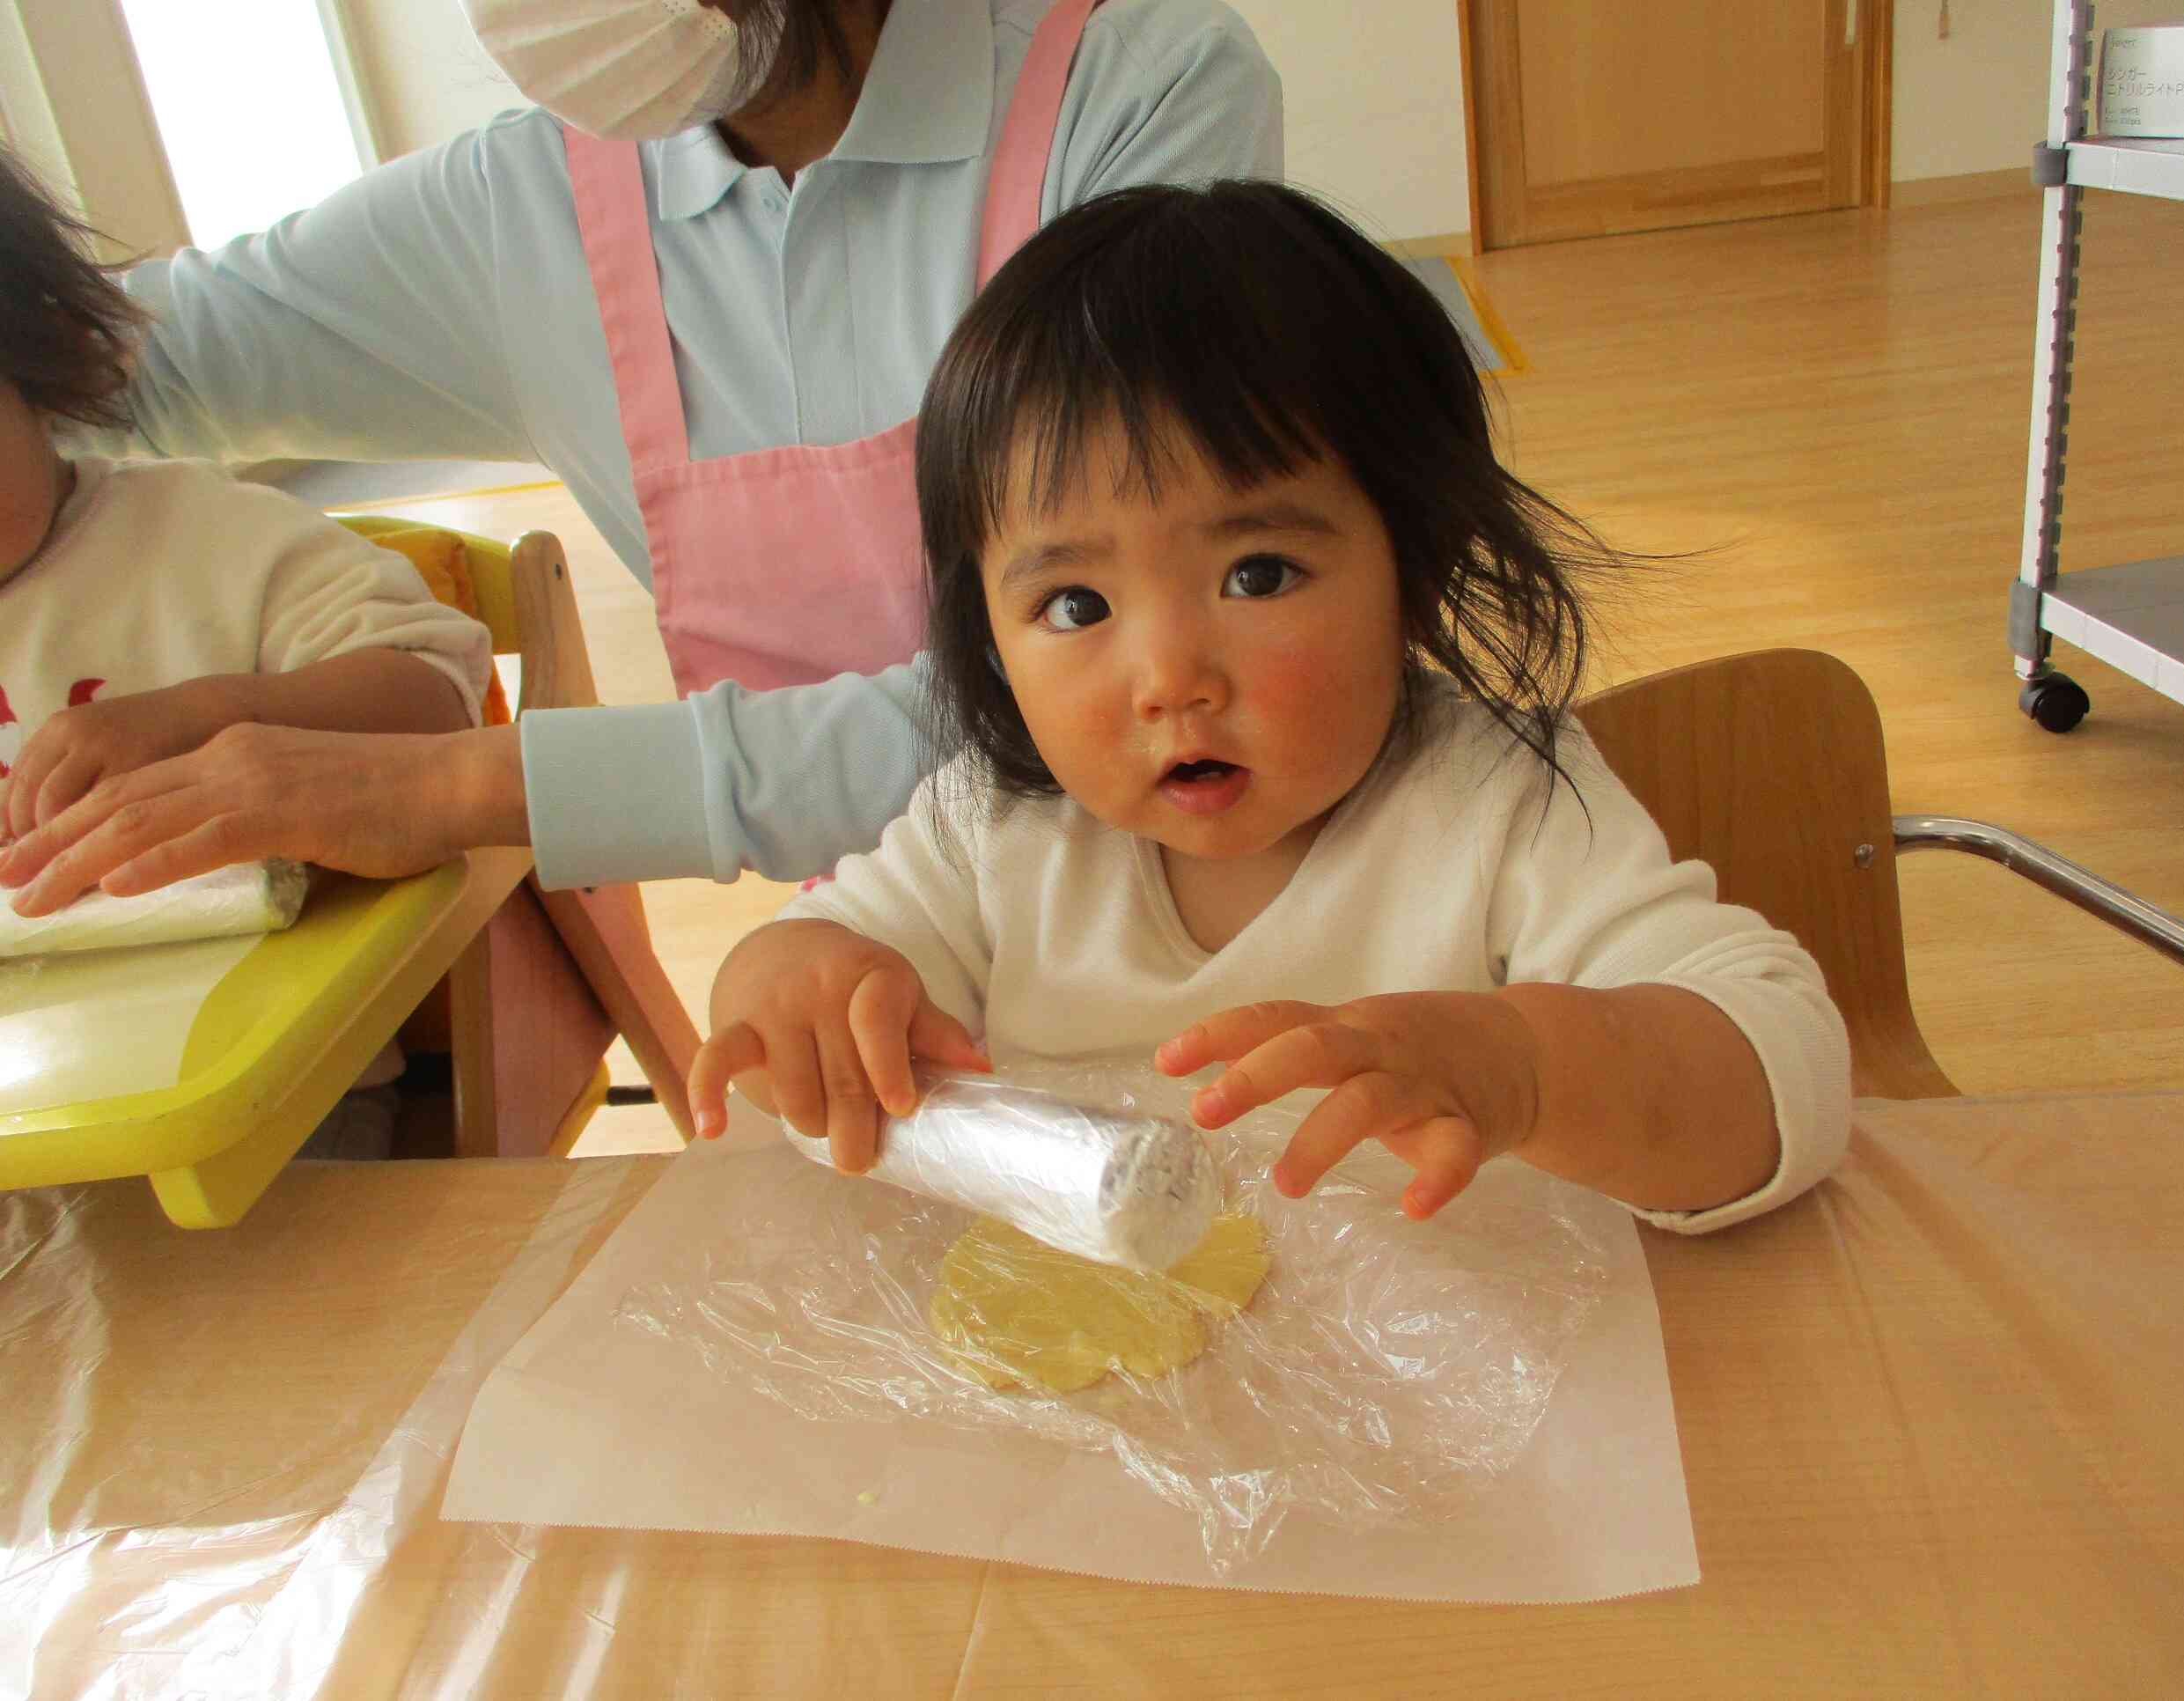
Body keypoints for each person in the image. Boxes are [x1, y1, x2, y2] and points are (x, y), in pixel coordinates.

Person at [684, 181, 1851, 1232]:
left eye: (1258, 575)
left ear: (1416, 572)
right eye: (1076, 603)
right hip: (1106, 1401)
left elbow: (1785, 1068)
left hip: (1447, 1400)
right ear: (986, 632)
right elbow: (809, 997)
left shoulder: (1497, 805)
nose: (1169, 678)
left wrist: (1523, 1063)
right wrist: (787, 987)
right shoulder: (994, 831)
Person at [0, 0, 1281, 921]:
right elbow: (101, 361)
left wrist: (454, 783)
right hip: (893, 936)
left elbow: (1086, 699)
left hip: (1210, 890)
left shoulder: (1135, 95)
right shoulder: (527, 211)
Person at [0, 147, 495, 1155]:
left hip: (273, 1096)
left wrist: (204, 716)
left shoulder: (201, 540)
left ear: (38, 372)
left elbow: (435, 700)